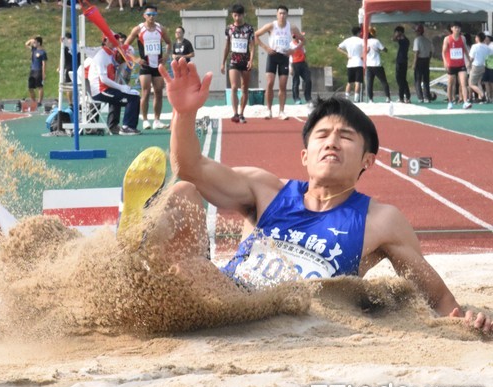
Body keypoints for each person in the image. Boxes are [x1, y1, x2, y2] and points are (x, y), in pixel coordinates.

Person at [143, 58, 492, 335]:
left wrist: (468, 318)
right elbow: (190, 167)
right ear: (305, 156)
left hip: (284, 319)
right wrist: (184, 114)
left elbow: (437, 298)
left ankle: (147, 256)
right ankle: (138, 249)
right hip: (228, 295)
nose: (332, 142)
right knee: (183, 191)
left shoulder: (381, 221)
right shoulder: (267, 190)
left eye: (346, 136)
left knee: (187, 270)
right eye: (322, 135)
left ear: (368, 160)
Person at [125, 4, 171, 130]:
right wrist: (135, 59)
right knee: (145, 92)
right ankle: (145, 119)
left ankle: (157, 120)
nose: (151, 17)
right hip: (145, 64)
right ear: (144, 15)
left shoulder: (160, 28)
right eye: (149, 15)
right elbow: (125, 46)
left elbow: (169, 43)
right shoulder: (138, 29)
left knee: (158, 92)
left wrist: (166, 56)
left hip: (158, 65)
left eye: (154, 14)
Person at [255, 5, 304, 120]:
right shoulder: (271, 26)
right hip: (272, 56)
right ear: (277, 14)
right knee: (270, 83)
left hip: (284, 57)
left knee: (282, 85)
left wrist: (294, 50)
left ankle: (281, 111)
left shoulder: (291, 27)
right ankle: (268, 110)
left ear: (287, 15)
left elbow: (303, 40)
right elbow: (256, 35)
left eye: (284, 13)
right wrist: (265, 47)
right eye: (280, 13)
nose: (282, 15)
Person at [88, 34, 142, 136]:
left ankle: (117, 126)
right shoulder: (102, 55)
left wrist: (123, 87)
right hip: (101, 90)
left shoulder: (111, 54)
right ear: (104, 41)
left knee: (133, 96)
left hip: (107, 88)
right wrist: (121, 87)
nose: (114, 41)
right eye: (111, 39)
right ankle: (127, 127)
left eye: (116, 39)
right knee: (131, 98)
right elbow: (103, 79)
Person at [221, 3, 255, 124]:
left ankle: (242, 113)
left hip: (245, 61)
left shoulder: (249, 29)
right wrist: (223, 62)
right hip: (233, 61)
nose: (237, 18)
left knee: (244, 88)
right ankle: (235, 113)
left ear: (243, 15)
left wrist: (251, 60)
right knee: (234, 87)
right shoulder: (229, 29)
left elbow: (252, 47)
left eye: (239, 15)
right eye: (235, 15)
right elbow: (226, 46)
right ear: (232, 15)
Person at [442, 22, 472, 110]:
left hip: (461, 64)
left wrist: (469, 59)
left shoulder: (462, 38)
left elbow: (465, 49)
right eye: (455, 27)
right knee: (451, 84)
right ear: (451, 29)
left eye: (459, 28)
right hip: (451, 64)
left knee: (463, 83)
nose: (457, 29)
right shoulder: (447, 39)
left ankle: (465, 102)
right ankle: (450, 102)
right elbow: (443, 52)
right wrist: (445, 61)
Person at [337, 26, 364, 103]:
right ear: (359, 33)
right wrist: (363, 55)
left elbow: (338, 48)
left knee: (349, 82)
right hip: (359, 63)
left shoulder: (347, 40)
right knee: (357, 82)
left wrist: (347, 54)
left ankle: (346, 98)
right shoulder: (360, 41)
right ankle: (356, 98)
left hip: (350, 63)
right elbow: (368, 48)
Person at [366, 27, 391, 104]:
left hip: (369, 65)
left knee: (369, 83)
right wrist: (382, 49)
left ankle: (370, 99)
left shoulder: (365, 41)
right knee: (383, 81)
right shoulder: (376, 41)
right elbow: (385, 50)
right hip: (377, 65)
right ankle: (387, 97)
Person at [412, 24, 433, 103]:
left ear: (418, 32)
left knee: (417, 79)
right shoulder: (427, 40)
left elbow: (416, 52)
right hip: (426, 60)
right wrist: (428, 59)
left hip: (419, 60)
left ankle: (420, 97)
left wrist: (414, 63)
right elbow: (431, 52)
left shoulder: (417, 40)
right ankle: (427, 97)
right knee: (426, 80)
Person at [289, 34, 312, 106]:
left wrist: (306, 63)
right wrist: (290, 67)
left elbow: (304, 54)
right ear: (294, 37)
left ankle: (308, 97)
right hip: (294, 64)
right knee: (296, 82)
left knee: (308, 80)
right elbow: (289, 57)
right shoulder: (290, 45)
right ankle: (296, 98)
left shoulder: (300, 44)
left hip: (303, 63)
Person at [25, 36, 47, 107]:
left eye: (35, 42)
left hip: (39, 70)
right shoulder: (34, 49)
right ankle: (34, 101)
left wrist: (43, 73)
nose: (33, 43)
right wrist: (31, 39)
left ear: (39, 43)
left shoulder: (42, 52)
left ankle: (39, 101)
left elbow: (44, 64)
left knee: (39, 86)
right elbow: (26, 44)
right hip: (32, 70)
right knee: (30, 87)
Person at [468, 32, 490, 103]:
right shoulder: (487, 47)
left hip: (476, 66)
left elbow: (471, 58)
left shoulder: (474, 46)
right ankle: (481, 98)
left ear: (478, 38)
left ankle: (482, 95)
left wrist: (468, 64)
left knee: (471, 84)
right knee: (479, 82)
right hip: (483, 66)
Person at [392, 26, 411, 103]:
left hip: (401, 61)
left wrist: (398, 34)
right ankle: (407, 96)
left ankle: (401, 97)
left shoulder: (403, 40)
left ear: (400, 32)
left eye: (397, 32)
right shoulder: (405, 40)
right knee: (403, 80)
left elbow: (393, 39)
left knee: (400, 79)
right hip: (403, 61)